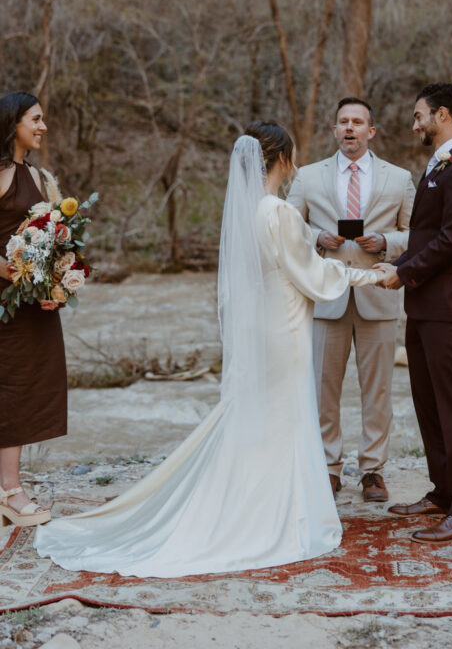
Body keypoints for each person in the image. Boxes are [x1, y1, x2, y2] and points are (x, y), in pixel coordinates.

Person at [35, 122, 384, 577]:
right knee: (287, 412)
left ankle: (256, 499)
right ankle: (280, 511)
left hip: (263, 324)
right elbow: (315, 276)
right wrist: (375, 275)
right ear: (280, 158)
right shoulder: (277, 212)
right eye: (292, 155)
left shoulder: (246, 212)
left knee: (262, 416)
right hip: (286, 328)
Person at [375, 83, 452, 544]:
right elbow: (427, 237)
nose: (414, 123)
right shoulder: (440, 166)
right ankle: (444, 492)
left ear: (442, 115)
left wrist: (404, 274)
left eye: (419, 115)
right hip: (425, 306)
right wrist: (399, 265)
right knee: (429, 406)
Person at [287, 98, 415, 502]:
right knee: (324, 389)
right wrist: (316, 238)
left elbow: (419, 233)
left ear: (371, 132)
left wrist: (386, 242)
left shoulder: (399, 178)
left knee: (377, 390)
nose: (349, 128)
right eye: (343, 121)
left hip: (379, 292)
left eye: (357, 122)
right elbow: (288, 228)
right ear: (333, 130)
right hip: (326, 295)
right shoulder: (307, 177)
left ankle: (373, 471)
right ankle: (328, 467)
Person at [0, 92, 66, 530]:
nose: (42, 127)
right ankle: (10, 492)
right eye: (35, 119)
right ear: (14, 123)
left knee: (27, 387)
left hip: (33, 304)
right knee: (11, 388)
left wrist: (58, 282)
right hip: (4, 301)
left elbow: (52, 239)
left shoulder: (38, 177)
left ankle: (8, 486)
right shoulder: (1, 174)